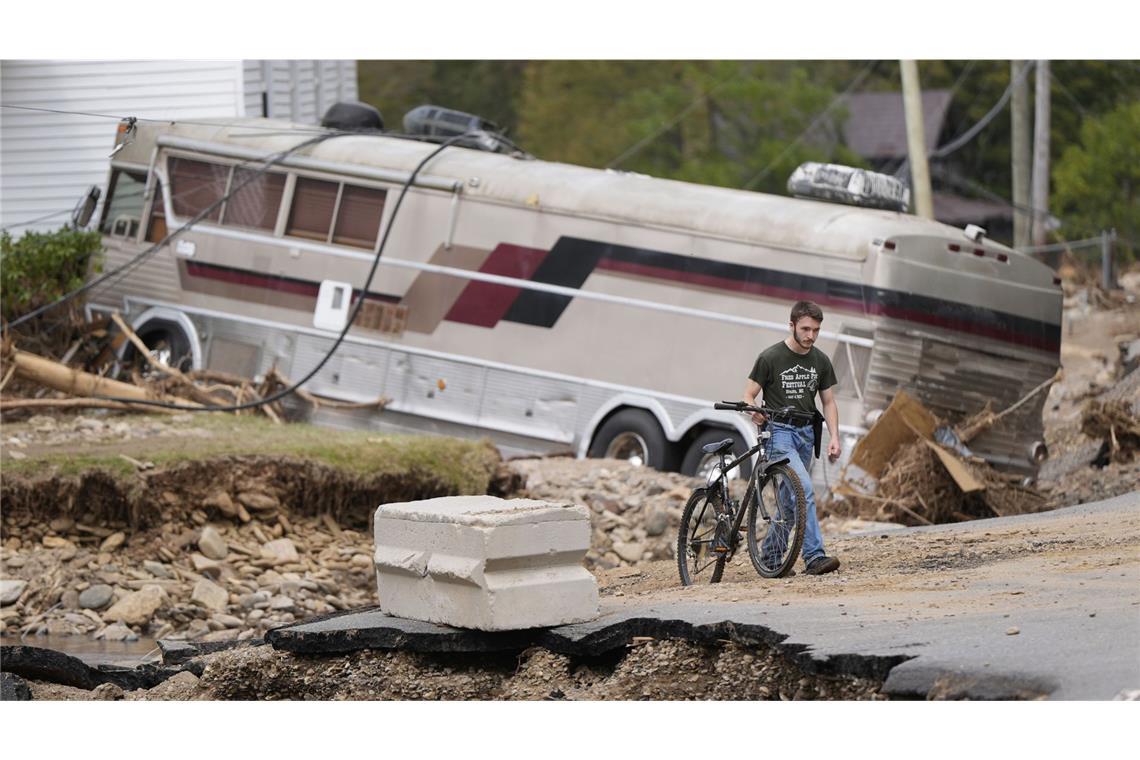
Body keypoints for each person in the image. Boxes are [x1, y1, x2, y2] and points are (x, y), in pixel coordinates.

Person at [742, 300, 842, 575]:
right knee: (804, 488)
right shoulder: (770, 357)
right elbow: (749, 394)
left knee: (789, 501)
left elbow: (829, 402)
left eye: (816, 330)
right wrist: (755, 411)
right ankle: (814, 557)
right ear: (792, 325)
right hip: (779, 432)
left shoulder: (820, 360)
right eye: (806, 329)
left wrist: (834, 437)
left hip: (807, 433)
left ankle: (772, 559)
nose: (811, 336)